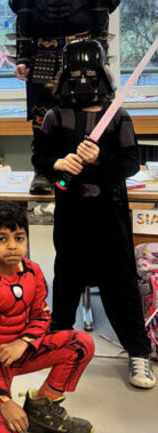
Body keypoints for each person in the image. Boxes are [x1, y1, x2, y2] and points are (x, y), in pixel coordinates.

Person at [32, 39, 156, 390]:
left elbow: (131, 164)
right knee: (67, 278)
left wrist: (100, 158)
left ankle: (138, 351)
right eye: (76, 75)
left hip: (109, 214)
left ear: (101, 73)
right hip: (71, 214)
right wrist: (58, 164)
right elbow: (41, 159)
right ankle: (56, 344)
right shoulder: (54, 117)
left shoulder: (118, 117)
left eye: (90, 73)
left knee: (120, 282)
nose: (83, 81)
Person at [0, 201, 96, 433]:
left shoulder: (33, 271)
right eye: (2, 239)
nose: (12, 246)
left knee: (81, 344)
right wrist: (3, 400)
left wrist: (22, 342)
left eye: (19, 238)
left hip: (21, 353)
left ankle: (42, 408)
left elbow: (42, 315)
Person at [9, 0, 119, 194]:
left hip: (83, 54)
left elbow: (101, 19)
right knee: (42, 116)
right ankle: (44, 171)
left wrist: (100, 57)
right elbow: (23, 20)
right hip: (43, 53)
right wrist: (23, 58)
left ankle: (85, 170)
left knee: (85, 111)